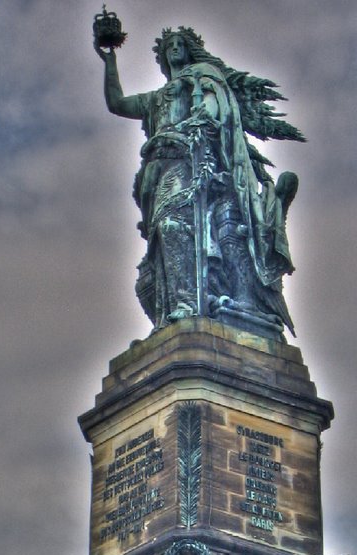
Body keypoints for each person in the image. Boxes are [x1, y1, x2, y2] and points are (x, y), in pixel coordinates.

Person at [96, 26, 301, 337]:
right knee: (164, 237)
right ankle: (179, 305)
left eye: (180, 43)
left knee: (179, 227)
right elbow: (117, 103)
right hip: (160, 168)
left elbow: (214, 105)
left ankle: (189, 304)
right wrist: (109, 62)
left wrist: (201, 119)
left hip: (194, 158)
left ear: (190, 49)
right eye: (169, 46)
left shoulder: (201, 76)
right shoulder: (156, 99)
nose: (175, 48)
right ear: (162, 58)